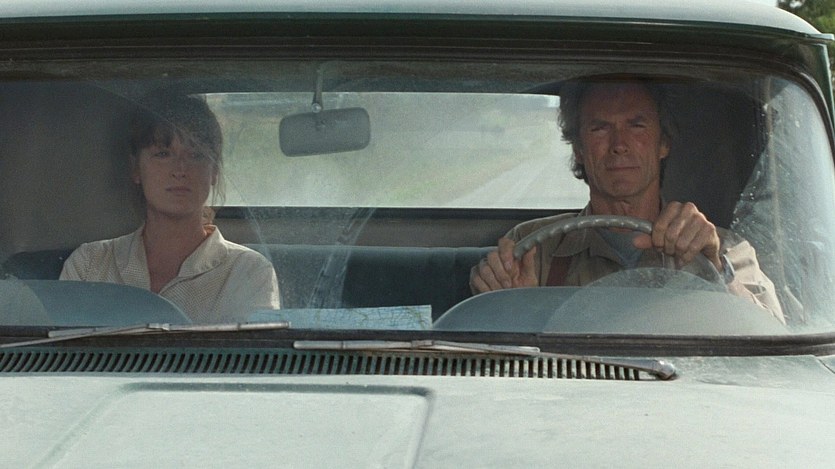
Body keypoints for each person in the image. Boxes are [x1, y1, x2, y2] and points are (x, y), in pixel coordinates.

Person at [469, 76, 785, 323]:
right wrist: (511, 304)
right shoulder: (533, 248)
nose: (619, 144)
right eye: (600, 128)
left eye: (636, 125)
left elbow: (774, 350)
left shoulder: (725, 249)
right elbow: (498, 365)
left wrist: (715, 270)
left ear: (663, 143)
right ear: (579, 150)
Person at [60, 92, 280, 323]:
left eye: (196, 155)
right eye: (163, 154)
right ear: (136, 168)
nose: (180, 170)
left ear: (214, 171)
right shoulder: (90, 264)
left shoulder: (247, 271)